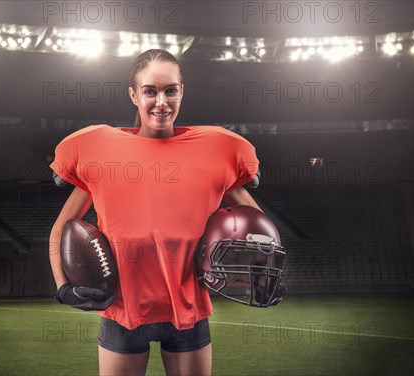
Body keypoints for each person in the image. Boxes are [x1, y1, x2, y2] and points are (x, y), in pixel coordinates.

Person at [49, 49, 263, 376]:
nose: (161, 101)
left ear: (182, 92)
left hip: (188, 309)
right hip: (121, 308)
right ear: (134, 95)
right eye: (150, 91)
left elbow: (255, 222)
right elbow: (62, 226)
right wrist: (63, 286)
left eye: (170, 90)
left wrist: (258, 265)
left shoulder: (217, 150)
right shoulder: (99, 149)